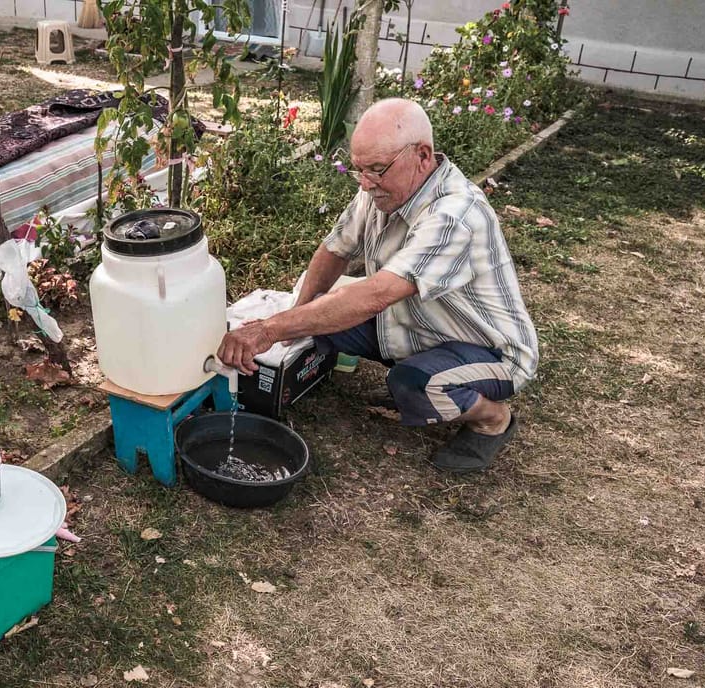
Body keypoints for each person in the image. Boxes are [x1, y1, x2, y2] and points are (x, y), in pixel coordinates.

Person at [216, 98, 539, 473]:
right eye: (359, 170)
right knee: (320, 308)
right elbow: (335, 250)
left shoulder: (455, 216)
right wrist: (293, 314)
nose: (367, 183)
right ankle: (400, 368)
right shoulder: (380, 190)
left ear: (422, 155)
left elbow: (378, 294)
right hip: (422, 325)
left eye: (377, 170)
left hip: (490, 352)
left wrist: (269, 330)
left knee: (414, 382)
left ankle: (492, 418)